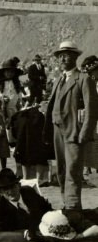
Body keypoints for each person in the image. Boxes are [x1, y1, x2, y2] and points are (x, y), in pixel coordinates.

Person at [43, 41, 97, 210]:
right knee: (61, 169)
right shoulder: (59, 79)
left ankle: (73, 208)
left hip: (74, 131)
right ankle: (66, 204)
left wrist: (84, 133)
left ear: (75, 57)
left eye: (67, 54)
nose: (64, 58)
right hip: (57, 131)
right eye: (61, 55)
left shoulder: (83, 78)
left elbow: (92, 109)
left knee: (73, 171)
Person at [0, 169, 51, 237]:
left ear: (19, 185)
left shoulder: (28, 191)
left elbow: (46, 207)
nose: (10, 191)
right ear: (0, 192)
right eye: (5, 189)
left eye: (12, 187)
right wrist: (25, 233)